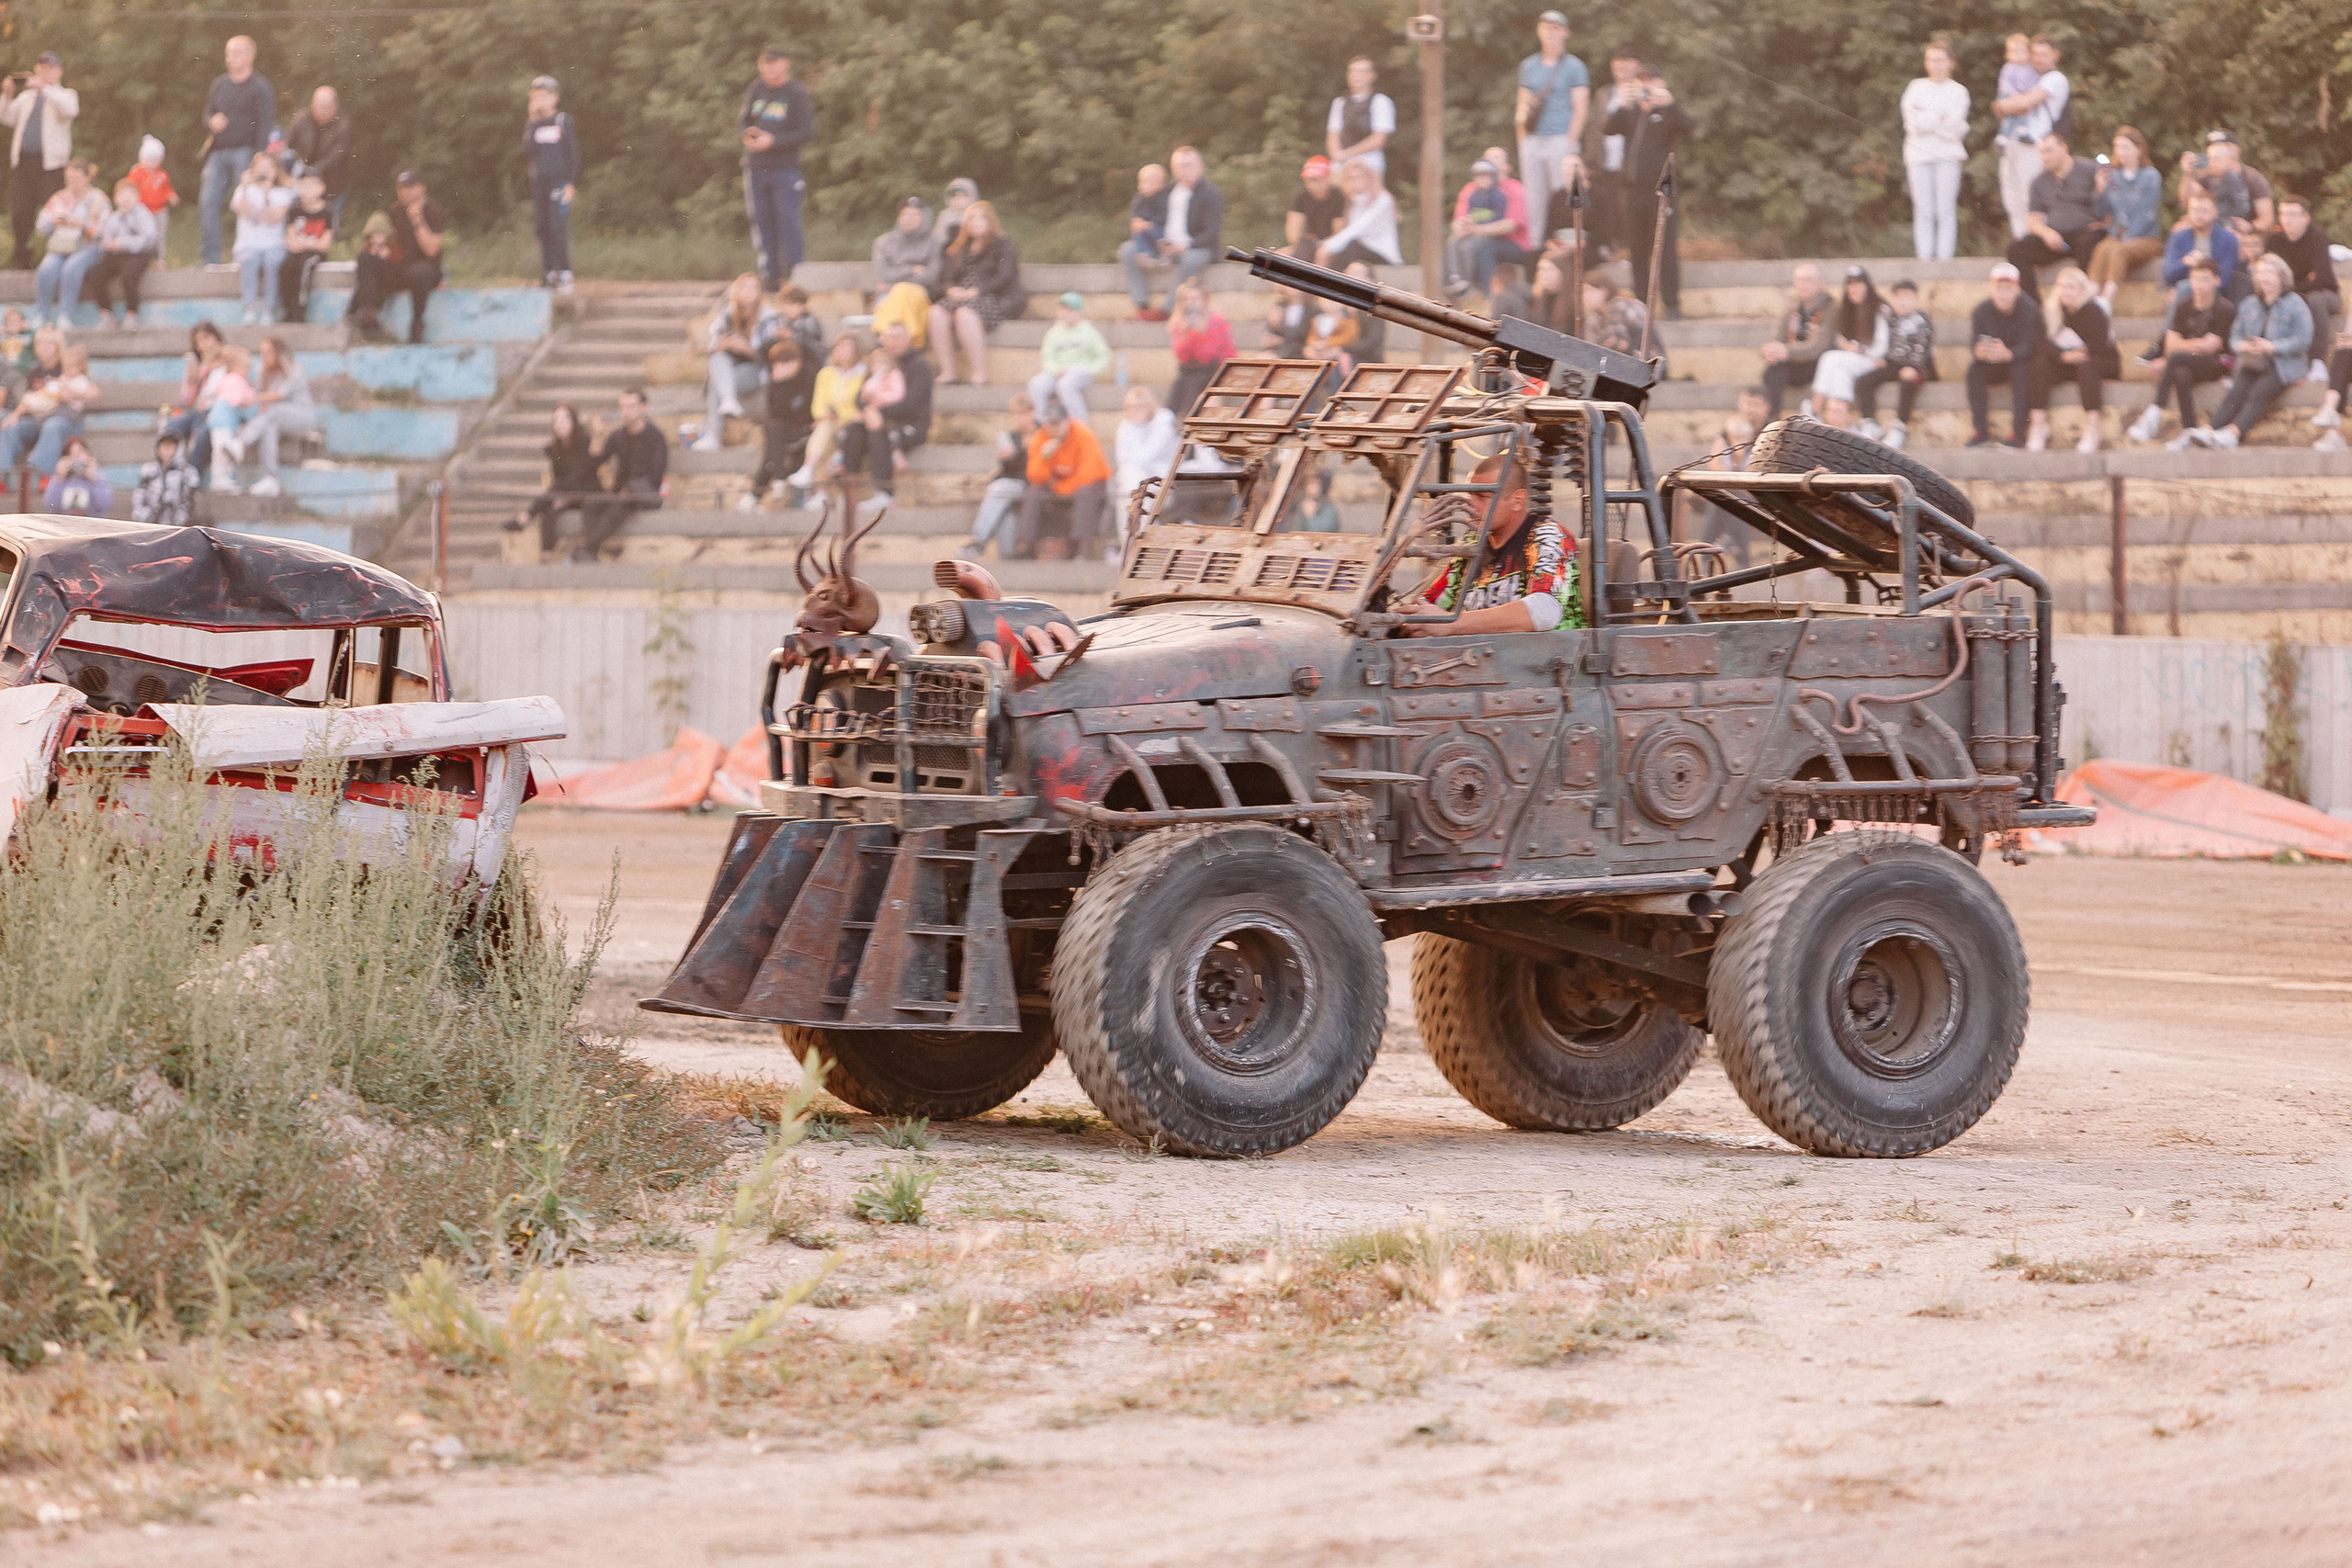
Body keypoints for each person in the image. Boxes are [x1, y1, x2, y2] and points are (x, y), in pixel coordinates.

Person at [1403, 451, 1576, 636]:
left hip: (1547, 652)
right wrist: (1404, 621)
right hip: (1481, 652)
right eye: (1470, 496)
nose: (1469, 505)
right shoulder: (1473, 542)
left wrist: (1451, 624)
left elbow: (1545, 611)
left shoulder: (1548, 535)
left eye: (1482, 497)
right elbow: (1434, 603)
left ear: (1517, 501)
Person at [2194, 254, 2312, 449]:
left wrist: (2272, 346)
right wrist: (2243, 345)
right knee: (2236, 391)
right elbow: (2235, 336)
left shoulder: (2295, 303)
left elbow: (2303, 339)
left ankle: (2234, 433)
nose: (2264, 278)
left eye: (2270, 273)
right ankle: (2210, 429)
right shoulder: (2249, 304)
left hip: (2285, 364)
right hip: (2254, 361)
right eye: (2261, 273)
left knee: (2259, 391)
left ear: (2282, 276)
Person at [2129, 254, 2233, 447]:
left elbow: (2211, 348)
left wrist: (2183, 345)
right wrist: (2196, 345)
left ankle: (2155, 411)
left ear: (2216, 281)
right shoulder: (2183, 305)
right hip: (2187, 363)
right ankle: (2189, 430)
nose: (2199, 285)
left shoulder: (2224, 308)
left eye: (2205, 279)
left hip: (2216, 365)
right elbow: (2170, 345)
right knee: (2180, 372)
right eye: (2195, 279)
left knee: (2176, 358)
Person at [1611, 67, 1691, 313]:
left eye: (1651, 82)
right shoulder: (1631, 112)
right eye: (1642, 82)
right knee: (1637, 249)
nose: (1646, 88)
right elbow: (1608, 128)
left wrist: (1670, 104)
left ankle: (1672, 303)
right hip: (1633, 191)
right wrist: (1623, 105)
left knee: (1665, 247)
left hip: (1662, 193)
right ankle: (1642, 304)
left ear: (1661, 84)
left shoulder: (1666, 112)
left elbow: (1689, 128)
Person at [738, 48, 815, 290]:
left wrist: (774, 141)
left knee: (788, 221)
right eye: (765, 65)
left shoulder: (796, 93)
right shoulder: (757, 88)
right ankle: (770, 277)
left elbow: (807, 132)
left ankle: (796, 278)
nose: (769, 69)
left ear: (785, 64)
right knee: (762, 222)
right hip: (756, 169)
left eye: (773, 64)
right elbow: (744, 120)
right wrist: (748, 134)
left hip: (785, 169)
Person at [1515, 10, 1589, 252]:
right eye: (1546, 28)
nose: (1550, 33)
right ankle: (1536, 250)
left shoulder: (1574, 66)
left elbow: (1580, 108)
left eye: (1555, 28)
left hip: (1560, 138)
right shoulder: (1529, 65)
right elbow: (1522, 105)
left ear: (1565, 33)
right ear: (1539, 31)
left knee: (1563, 196)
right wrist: (1522, 139)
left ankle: (1565, 248)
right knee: (1534, 199)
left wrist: (1570, 142)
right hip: (1533, 139)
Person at [1120, 146, 1222, 321]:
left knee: (1191, 258)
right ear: (1174, 169)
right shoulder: (1166, 191)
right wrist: (1140, 224)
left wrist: (1184, 247)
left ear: (1200, 167)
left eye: (1189, 165)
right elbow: (1145, 209)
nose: (1185, 170)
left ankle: (1166, 309)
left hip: (1196, 248)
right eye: (1180, 166)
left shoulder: (1211, 194)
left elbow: (1212, 232)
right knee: (1128, 250)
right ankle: (1141, 306)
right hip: (1162, 245)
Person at [2022, 266, 2117, 452]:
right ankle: (2039, 425)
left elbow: (2101, 346)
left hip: (2097, 361)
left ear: (2082, 289)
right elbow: (2040, 343)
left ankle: (2093, 428)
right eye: (2061, 286)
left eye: (2070, 287)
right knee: (2039, 365)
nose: (2065, 291)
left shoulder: (2093, 311)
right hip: (2066, 362)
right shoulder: (2052, 311)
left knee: (2087, 368)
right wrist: (2063, 356)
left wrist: (2080, 354)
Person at [199, 37, 275, 267]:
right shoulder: (220, 84)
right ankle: (211, 260)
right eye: (229, 52)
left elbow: (266, 124)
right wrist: (211, 120)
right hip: (218, 153)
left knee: (246, 204)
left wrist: (259, 158)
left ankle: (244, 257)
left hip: (246, 153)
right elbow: (208, 112)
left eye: (238, 52)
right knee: (208, 203)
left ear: (251, 56)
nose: (232, 57)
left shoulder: (260, 87)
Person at [929, 200, 1023, 385]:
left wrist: (977, 291)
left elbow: (1005, 276)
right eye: (972, 218)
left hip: (993, 296)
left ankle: (979, 374)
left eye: (982, 218)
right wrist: (950, 289)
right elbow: (946, 277)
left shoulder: (1003, 245)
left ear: (991, 221)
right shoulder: (959, 246)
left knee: (965, 314)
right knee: (936, 313)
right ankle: (948, 372)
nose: (977, 222)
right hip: (961, 295)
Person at [838, 320, 933, 500]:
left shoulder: (919, 366)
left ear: (908, 339)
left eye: (897, 337)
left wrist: (879, 414)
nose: (892, 342)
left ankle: (884, 494)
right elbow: (860, 396)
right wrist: (869, 411)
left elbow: (912, 403)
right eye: (888, 337)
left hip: (909, 426)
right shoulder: (878, 362)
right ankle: (849, 493)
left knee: (880, 434)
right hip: (875, 420)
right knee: (853, 432)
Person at [349, 173, 445, 344]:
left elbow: (431, 251)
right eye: (401, 188)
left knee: (419, 272)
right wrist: (381, 249)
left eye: (409, 187)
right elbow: (387, 240)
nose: (404, 192)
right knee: (365, 258)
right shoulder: (395, 211)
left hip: (426, 269)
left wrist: (417, 219)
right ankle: (368, 316)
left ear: (421, 188)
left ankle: (417, 323)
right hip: (400, 267)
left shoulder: (432, 210)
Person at [2, 51, 76, 270]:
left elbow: (71, 110)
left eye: (49, 69)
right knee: (20, 212)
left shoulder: (65, 94)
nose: (44, 73)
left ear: (59, 72)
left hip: (51, 165)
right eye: (41, 69)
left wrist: (44, 88)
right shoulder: (27, 97)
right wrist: (7, 95)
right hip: (25, 162)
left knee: (54, 211)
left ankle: (55, 257)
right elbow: (6, 117)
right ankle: (22, 259)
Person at [1991, 34, 2068, 243]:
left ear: (2055, 55)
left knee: (2030, 199)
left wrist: (2002, 105)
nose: (2038, 59)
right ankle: (2021, 244)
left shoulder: (2055, 79)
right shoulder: (2023, 73)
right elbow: (2003, 106)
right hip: (2011, 144)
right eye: (2035, 54)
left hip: (2034, 147)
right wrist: (2003, 106)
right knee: (2011, 200)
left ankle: (2036, 245)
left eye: (2044, 54)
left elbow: (2024, 103)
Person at [2006, 135, 2100, 303]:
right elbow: (2033, 217)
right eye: (2041, 153)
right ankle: (2033, 306)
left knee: (2090, 242)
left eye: (2049, 151)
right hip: (2056, 238)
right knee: (2016, 250)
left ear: (2064, 148)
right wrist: (2046, 233)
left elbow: (2109, 201)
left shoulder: (2089, 170)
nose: (2044, 157)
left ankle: (2083, 304)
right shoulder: (2039, 181)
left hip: (2086, 234)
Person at [577, 389, 668, 559]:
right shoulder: (618, 436)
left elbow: (656, 476)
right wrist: (597, 435)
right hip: (622, 494)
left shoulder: (655, 436)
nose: (626, 412)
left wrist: (630, 490)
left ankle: (587, 549)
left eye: (631, 407)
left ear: (643, 407)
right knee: (591, 502)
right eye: (622, 407)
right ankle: (590, 551)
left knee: (623, 499)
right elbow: (593, 464)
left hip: (646, 494)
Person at [1017, 400, 1112, 560]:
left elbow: (1088, 475)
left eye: (1058, 423)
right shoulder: (1041, 437)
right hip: (1060, 487)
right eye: (1051, 424)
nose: (1055, 428)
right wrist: (1044, 457)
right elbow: (1035, 478)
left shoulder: (1084, 435)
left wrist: (1058, 486)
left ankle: (1082, 547)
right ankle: (1025, 546)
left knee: (1086, 492)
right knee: (1034, 493)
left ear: (1068, 420)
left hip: (1088, 486)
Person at [1900, 42, 1969, 261]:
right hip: (1918, 154)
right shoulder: (1915, 87)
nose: (1935, 65)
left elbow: (1954, 127)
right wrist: (1939, 116)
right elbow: (1913, 124)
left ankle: (1944, 258)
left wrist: (1927, 118)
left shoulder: (1958, 91)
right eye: (1931, 60)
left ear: (1950, 63)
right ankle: (1924, 257)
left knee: (1945, 209)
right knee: (1923, 209)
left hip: (1948, 154)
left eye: (1940, 60)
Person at [1964, 261, 2043, 448]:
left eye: (2008, 288)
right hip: (1994, 362)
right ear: (1991, 289)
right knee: (1974, 371)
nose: (2002, 294)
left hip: (2020, 362)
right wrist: (1979, 352)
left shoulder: (2030, 310)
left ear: (2017, 289)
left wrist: (2009, 354)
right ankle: (1980, 432)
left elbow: (2032, 347)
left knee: (2021, 371)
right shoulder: (1981, 311)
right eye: (1998, 288)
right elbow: (1974, 342)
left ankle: (2018, 433)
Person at [699, 272, 779, 453]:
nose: (748, 291)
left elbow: (771, 356)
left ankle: (713, 435)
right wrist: (724, 345)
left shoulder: (769, 317)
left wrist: (747, 349)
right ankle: (728, 400)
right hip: (728, 368)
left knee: (716, 382)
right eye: (744, 287)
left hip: (755, 371)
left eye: (753, 287)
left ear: (760, 292)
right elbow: (712, 349)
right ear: (737, 290)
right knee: (717, 359)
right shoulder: (726, 315)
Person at [1851, 279, 1935, 447]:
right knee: (1864, 381)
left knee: (1908, 379)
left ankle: (1900, 426)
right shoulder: (1890, 319)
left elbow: (1922, 347)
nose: (1902, 301)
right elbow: (1885, 343)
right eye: (1898, 297)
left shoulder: (1922, 319)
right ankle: (1869, 422)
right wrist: (1881, 359)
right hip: (1893, 363)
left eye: (1907, 297)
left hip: (1918, 365)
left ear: (1915, 299)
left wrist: (1914, 367)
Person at [2086, 128, 2164, 307]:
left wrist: (2126, 238)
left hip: (2145, 237)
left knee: (2117, 250)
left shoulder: (2150, 176)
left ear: (2139, 149)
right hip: (2117, 236)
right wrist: (2100, 190)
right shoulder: (2113, 176)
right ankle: (2089, 298)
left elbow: (2147, 213)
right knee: (2101, 249)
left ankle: (2106, 301)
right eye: (2118, 147)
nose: (2121, 151)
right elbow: (2101, 212)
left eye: (2126, 147)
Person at [513, 403, 601, 552]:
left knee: (555, 493)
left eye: (564, 420)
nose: (560, 424)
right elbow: (558, 478)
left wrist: (564, 497)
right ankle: (546, 554)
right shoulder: (554, 448)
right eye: (556, 420)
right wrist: (561, 497)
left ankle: (527, 516)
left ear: (573, 421)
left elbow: (578, 477)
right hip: (565, 492)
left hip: (587, 492)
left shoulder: (584, 442)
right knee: (550, 510)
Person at [1, 337, 95, 477]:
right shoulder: (34, 371)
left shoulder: (67, 367)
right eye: (40, 343)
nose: (43, 347)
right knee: (9, 424)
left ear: (58, 346)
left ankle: (41, 473)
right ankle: (3, 474)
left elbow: (92, 391)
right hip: (38, 418)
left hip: (63, 420)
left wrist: (70, 393)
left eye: (49, 343)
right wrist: (15, 415)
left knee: (53, 425)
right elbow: (29, 400)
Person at [1810, 266, 1889, 431]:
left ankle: (1814, 412)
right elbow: (1840, 337)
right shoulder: (1846, 309)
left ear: (1867, 286)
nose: (1854, 289)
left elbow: (1882, 345)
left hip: (1874, 360)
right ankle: (1844, 425)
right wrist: (1845, 345)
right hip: (1852, 359)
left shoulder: (1880, 308)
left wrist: (1860, 349)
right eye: (1850, 285)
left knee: (1829, 359)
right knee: (1840, 372)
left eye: (1858, 284)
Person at [30, 158, 106, 326]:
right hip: (61, 247)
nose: (72, 183)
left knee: (71, 268)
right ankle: (42, 315)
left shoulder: (98, 199)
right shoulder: (58, 198)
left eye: (77, 179)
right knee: (46, 269)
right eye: (69, 178)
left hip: (87, 247)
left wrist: (83, 225)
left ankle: (65, 315)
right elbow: (41, 226)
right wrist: (53, 222)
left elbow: (105, 230)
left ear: (87, 177)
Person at [239, 334, 316, 496]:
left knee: (273, 411)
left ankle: (241, 442)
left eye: (268, 352)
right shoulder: (262, 371)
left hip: (301, 417)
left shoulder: (295, 369)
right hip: (275, 419)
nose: (263, 356)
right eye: (261, 352)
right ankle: (270, 478)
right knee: (269, 427)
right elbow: (260, 403)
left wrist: (255, 399)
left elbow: (280, 395)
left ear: (278, 352)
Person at [2272, 196, 2339, 380]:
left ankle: (2317, 362)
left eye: (2292, 214)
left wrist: (2291, 288)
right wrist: (2304, 283)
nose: (2286, 219)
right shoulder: (2275, 241)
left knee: (2316, 299)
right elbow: (2270, 277)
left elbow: (2322, 279)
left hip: (2327, 295)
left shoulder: (2317, 238)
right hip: (2293, 294)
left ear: (2306, 218)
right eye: (2283, 214)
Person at [1444, 158, 1530, 300]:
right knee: (1454, 242)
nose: (1483, 179)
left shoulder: (1501, 194)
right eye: (1479, 176)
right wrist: (1464, 226)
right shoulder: (1472, 193)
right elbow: (1461, 218)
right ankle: (1454, 280)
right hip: (1475, 233)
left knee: (1475, 248)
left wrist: (1476, 229)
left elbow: (1507, 224)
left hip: (1499, 239)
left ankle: (1479, 288)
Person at [523, 75, 578, 292]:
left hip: (559, 181)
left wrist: (570, 182)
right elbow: (528, 150)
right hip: (540, 182)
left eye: (546, 96)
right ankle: (549, 274)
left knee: (557, 226)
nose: (542, 101)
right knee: (542, 227)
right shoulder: (533, 124)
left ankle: (565, 273)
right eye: (537, 97)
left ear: (555, 98)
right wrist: (532, 120)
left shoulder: (562, 121)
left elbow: (573, 154)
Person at [749, 337, 818, 510]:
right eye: (776, 363)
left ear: (797, 362)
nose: (779, 366)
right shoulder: (776, 382)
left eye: (785, 362)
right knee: (773, 431)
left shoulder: (809, 378)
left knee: (772, 446)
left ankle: (756, 494)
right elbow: (776, 413)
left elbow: (804, 412)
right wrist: (781, 385)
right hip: (783, 431)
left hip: (806, 430)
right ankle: (778, 480)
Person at [794, 333, 865, 491]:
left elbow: (859, 404)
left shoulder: (864, 374)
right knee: (825, 430)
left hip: (852, 422)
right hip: (830, 420)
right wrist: (824, 414)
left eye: (846, 347)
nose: (841, 350)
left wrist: (840, 414)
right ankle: (814, 480)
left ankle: (810, 472)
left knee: (827, 431)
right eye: (839, 346)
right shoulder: (826, 374)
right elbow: (818, 404)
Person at [968, 391, 1036, 556]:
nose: (1021, 419)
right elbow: (1009, 472)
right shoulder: (1011, 437)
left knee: (999, 489)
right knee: (1005, 512)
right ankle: (1007, 555)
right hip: (1014, 484)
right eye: (1016, 415)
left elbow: (1033, 470)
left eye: (1024, 414)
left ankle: (978, 540)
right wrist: (1007, 459)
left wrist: (1023, 451)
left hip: (1033, 484)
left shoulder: (1041, 434)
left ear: (1032, 413)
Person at [230, 149, 292, 325]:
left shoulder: (282, 193)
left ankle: (268, 309)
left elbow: (272, 219)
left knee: (272, 263)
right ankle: (249, 309)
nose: (264, 171)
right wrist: (245, 187)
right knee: (250, 261)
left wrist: (266, 194)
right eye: (260, 167)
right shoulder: (242, 190)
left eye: (268, 167)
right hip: (247, 245)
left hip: (274, 244)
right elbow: (245, 212)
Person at [1758, 263, 1829, 417]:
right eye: (1800, 280)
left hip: (1818, 364)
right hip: (1795, 363)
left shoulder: (1830, 307)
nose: (1803, 284)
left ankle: (1814, 413)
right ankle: (1772, 418)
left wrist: (1786, 351)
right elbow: (1777, 338)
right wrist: (1769, 351)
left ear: (1820, 283)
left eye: (1808, 280)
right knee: (1771, 371)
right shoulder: (1792, 308)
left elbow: (1820, 346)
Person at [1988, 34, 2041, 242]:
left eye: (2020, 51)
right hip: (2010, 103)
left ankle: (2031, 238)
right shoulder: (2008, 69)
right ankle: (2019, 238)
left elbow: (2027, 103)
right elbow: (2001, 100)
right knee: (2011, 196)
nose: (2016, 56)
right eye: (2012, 52)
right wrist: (2010, 102)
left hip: (2028, 144)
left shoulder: (2034, 72)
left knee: (2027, 193)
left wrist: (2016, 102)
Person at [85, 179, 158, 330]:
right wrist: (106, 242)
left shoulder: (143, 214)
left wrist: (124, 242)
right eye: (122, 195)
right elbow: (105, 238)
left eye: (130, 195)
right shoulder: (114, 218)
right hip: (117, 254)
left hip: (139, 254)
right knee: (94, 273)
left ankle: (131, 314)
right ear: (116, 199)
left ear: (137, 198)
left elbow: (149, 238)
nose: (126, 199)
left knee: (129, 275)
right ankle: (106, 314)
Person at [1030, 291, 1112, 421]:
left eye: (1071, 310)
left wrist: (1092, 370)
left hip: (1081, 370)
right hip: (1058, 371)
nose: (1066, 314)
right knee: (1036, 384)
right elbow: (1047, 357)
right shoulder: (1054, 333)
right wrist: (1055, 369)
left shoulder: (1089, 332)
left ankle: (1080, 422)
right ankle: (1041, 421)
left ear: (1079, 312)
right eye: (1063, 309)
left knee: (1065, 385)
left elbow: (1103, 355)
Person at [1113, 384, 1179, 539]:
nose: (1136, 410)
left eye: (1140, 406)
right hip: (1134, 479)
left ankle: (1139, 539)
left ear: (1150, 406)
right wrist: (1136, 425)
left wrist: (1137, 426)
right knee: (1130, 488)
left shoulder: (1163, 423)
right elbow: (1122, 459)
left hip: (1161, 479)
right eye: (1132, 407)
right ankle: (1131, 542)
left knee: (1135, 492)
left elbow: (1145, 457)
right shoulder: (1126, 426)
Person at [283, 85, 351, 234]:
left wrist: (312, 171)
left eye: (327, 107)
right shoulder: (302, 119)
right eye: (320, 106)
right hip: (305, 183)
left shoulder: (343, 124)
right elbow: (287, 143)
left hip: (332, 183)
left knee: (329, 224)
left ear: (335, 106)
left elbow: (336, 155)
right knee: (300, 223)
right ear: (312, 104)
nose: (323, 111)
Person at [2179, 130, 2271, 238]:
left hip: (2242, 231)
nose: (2215, 158)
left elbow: (2267, 219)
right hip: (2212, 227)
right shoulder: (2206, 177)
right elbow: (2186, 202)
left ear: (2235, 150)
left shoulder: (2252, 178)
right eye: (2214, 149)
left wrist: (2251, 227)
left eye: (2223, 146)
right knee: (2181, 228)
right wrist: (2187, 174)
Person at [2161, 190, 2242, 307]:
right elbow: (2167, 274)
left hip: (2217, 293)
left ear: (2215, 213)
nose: (2199, 215)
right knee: (2180, 291)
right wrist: (2185, 262)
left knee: (2184, 290)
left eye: (2204, 211)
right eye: (2195, 210)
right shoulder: (2178, 237)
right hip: (2183, 292)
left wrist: (2202, 272)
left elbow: (2224, 280)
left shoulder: (2229, 239)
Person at [1317, 160, 1401, 271]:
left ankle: (1327, 279)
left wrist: (1327, 246)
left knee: (1351, 247)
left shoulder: (1382, 200)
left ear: (1368, 178)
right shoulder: (1353, 202)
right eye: (1349, 178)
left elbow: (1357, 229)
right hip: (1361, 251)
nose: (1354, 182)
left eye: (1358, 177)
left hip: (1384, 255)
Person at [1167, 277, 1232, 418]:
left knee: (1193, 384)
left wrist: (1200, 334)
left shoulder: (1216, 320)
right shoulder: (1179, 322)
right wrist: (1186, 335)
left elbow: (1210, 354)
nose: (1191, 303)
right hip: (1189, 371)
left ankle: (1189, 419)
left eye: (1195, 298)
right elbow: (1181, 356)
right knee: (1178, 391)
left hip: (1213, 369)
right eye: (1187, 299)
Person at [277, 172, 334, 323]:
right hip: (297, 252)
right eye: (302, 186)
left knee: (305, 267)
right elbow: (291, 242)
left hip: (315, 255)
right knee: (286, 267)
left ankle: (299, 309)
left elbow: (324, 245)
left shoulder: (327, 212)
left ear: (321, 188)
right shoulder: (295, 210)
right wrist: (310, 243)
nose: (305, 190)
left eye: (309, 186)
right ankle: (287, 310)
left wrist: (303, 243)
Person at [201, 343, 258, 491]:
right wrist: (247, 401)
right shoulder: (233, 379)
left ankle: (224, 478)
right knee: (221, 453)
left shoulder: (232, 379)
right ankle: (218, 479)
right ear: (235, 366)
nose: (248, 370)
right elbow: (236, 400)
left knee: (224, 453)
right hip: (222, 420)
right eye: (246, 366)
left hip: (226, 421)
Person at [1326, 56, 1395, 177]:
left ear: (1372, 76)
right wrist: (1336, 154)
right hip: (1341, 163)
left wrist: (1346, 154)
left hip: (1370, 163)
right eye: (1352, 71)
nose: (1356, 75)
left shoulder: (1381, 101)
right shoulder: (1339, 103)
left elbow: (1378, 139)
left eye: (1361, 72)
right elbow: (1333, 135)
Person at [123, 136, 177, 268]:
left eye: (155, 159)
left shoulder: (162, 175)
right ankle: (142, 259)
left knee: (159, 235)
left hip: (160, 210)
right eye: (148, 159)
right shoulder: (137, 173)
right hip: (143, 210)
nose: (151, 163)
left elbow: (167, 189)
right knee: (143, 234)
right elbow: (129, 187)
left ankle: (159, 259)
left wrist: (171, 196)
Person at [873, 195, 941, 295]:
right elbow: (884, 274)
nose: (908, 219)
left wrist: (895, 284)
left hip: (920, 293)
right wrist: (911, 269)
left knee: (903, 293)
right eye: (904, 214)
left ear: (925, 218)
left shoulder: (934, 242)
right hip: (888, 293)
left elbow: (931, 276)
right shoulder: (884, 242)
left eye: (914, 215)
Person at [130, 431, 200, 528]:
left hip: (178, 527)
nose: (166, 449)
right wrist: (143, 516)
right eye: (163, 445)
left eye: (170, 445)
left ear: (178, 449)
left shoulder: (189, 473)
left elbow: (190, 502)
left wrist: (180, 522)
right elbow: (140, 495)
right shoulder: (148, 470)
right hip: (150, 525)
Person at [1285, 156, 1344, 258]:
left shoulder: (1337, 196)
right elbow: (1293, 232)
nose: (1312, 185)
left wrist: (1320, 246)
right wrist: (1303, 245)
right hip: (1310, 243)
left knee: (1321, 256)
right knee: (1278, 256)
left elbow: (1338, 232)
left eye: (1317, 180)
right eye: (1309, 180)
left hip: (1332, 246)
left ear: (1327, 178)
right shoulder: (1302, 197)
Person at [40, 434, 109, 517]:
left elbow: (105, 505)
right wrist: (59, 479)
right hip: (65, 522)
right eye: (71, 454)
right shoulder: (59, 478)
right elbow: (50, 504)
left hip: (91, 522)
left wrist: (94, 480)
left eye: (80, 452)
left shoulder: (97, 475)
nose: (76, 458)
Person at [1578, 274, 1645, 355]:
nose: (1585, 296)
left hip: (1643, 358)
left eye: (1589, 290)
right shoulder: (1596, 318)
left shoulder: (1620, 306)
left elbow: (1622, 345)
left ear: (1603, 291)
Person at [1345, 259, 1388, 363]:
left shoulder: (1375, 309)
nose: (1350, 276)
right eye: (1348, 272)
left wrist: (1341, 349)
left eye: (1356, 273)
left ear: (1369, 280)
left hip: (1365, 362)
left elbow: (1371, 343)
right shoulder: (1333, 306)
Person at [1126, 162, 1167, 262]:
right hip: (1144, 229)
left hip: (1159, 230)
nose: (1143, 186)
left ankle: (1162, 253)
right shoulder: (1140, 199)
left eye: (1148, 182)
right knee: (1138, 232)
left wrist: (1149, 225)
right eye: (1141, 182)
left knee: (1153, 230)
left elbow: (1164, 217)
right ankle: (1145, 255)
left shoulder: (1163, 198)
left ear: (1160, 184)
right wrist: (1137, 222)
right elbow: (1135, 213)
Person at [935, 177, 977, 249]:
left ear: (971, 196)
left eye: (962, 196)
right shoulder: (945, 215)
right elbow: (938, 237)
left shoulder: (976, 214)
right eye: (954, 196)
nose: (957, 199)